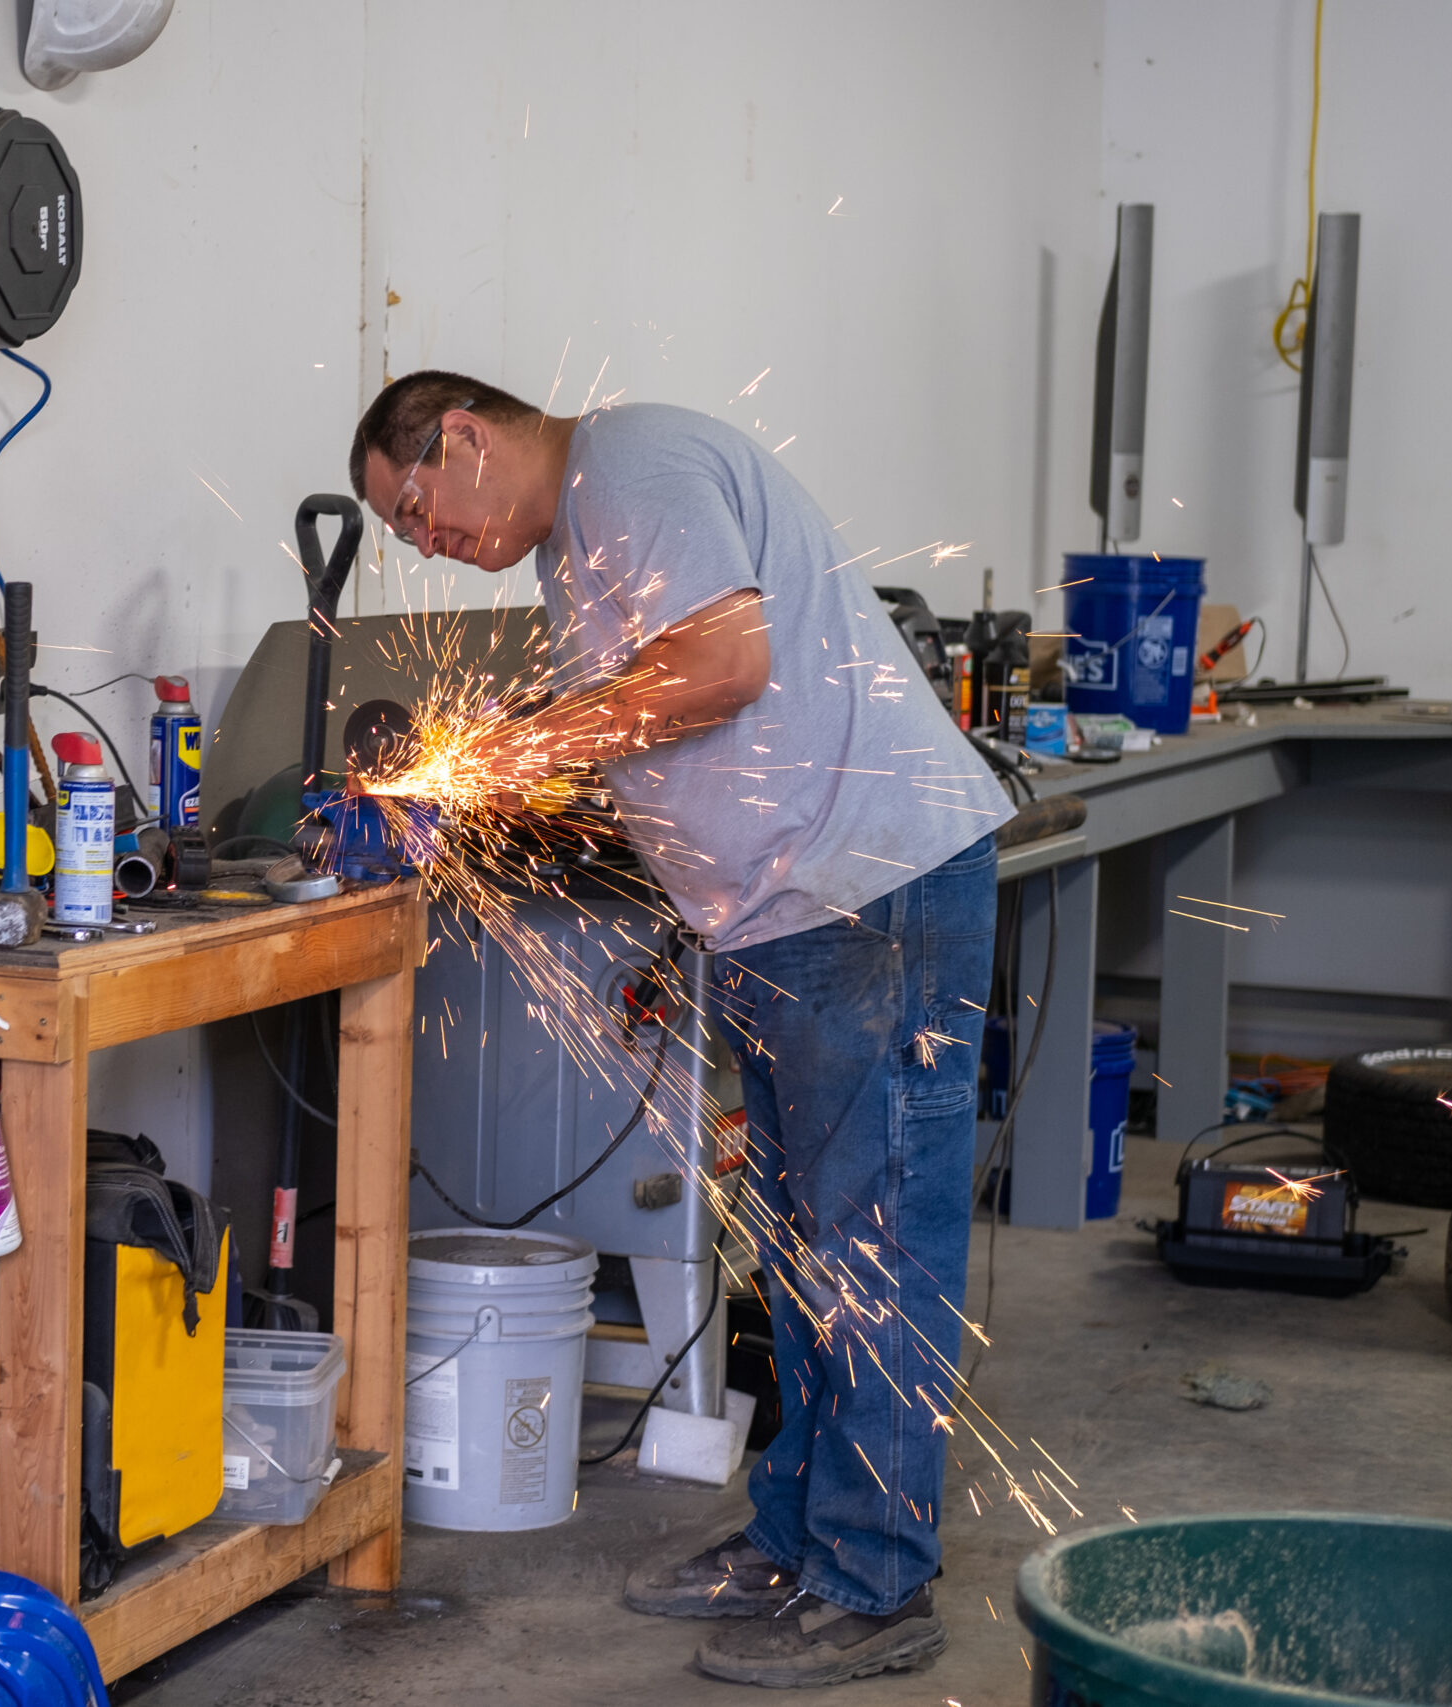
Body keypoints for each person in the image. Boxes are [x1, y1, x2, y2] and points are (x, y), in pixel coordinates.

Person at [347, 372, 1009, 1688]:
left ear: (466, 434)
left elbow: (721, 664)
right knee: (802, 1251)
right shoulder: (575, 545)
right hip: (786, 915)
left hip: (864, 893)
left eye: (417, 508)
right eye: (404, 535)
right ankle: (796, 1539)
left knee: (870, 1243)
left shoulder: (628, 469)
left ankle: (878, 1583)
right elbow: (659, 714)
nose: (425, 541)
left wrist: (509, 752)